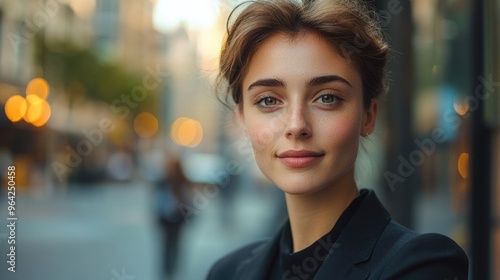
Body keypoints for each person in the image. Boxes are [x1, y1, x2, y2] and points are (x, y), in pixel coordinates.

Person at [206, 0, 468, 279]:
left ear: (368, 116)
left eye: (327, 98)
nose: (296, 125)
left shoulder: (422, 266)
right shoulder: (227, 273)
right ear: (243, 119)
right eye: (269, 100)